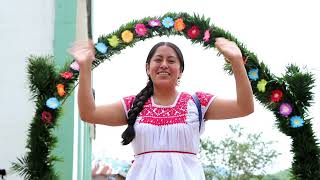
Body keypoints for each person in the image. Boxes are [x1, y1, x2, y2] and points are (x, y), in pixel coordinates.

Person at [69, 37, 254, 180]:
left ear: (181, 70)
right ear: (148, 68)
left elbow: (244, 107)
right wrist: (85, 67)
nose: (164, 64)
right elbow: (88, 113)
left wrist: (237, 61)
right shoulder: (132, 104)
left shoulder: (197, 102)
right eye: (158, 59)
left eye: (171, 61)